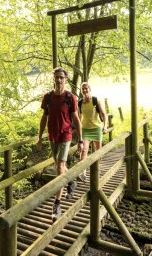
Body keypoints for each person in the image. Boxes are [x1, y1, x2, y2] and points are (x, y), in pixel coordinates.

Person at [37, 67, 83, 222]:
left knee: (59, 165)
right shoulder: (48, 97)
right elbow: (44, 117)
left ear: (66, 79)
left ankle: (57, 204)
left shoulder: (70, 97)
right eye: (56, 77)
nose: (59, 80)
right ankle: (70, 181)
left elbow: (76, 119)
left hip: (66, 134)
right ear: (53, 79)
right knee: (59, 165)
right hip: (52, 135)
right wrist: (39, 137)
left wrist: (81, 140)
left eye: (61, 77)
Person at [77, 82, 108, 181]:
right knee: (84, 150)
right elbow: (79, 117)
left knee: (99, 150)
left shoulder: (95, 100)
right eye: (83, 89)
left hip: (96, 128)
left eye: (86, 88)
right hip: (85, 129)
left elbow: (104, 114)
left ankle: (97, 169)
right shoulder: (80, 103)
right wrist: (78, 129)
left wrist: (105, 126)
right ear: (81, 91)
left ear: (90, 89)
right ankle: (83, 172)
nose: (85, 90)